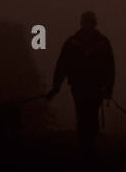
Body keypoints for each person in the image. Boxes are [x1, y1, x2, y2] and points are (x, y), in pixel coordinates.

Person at [46, 11, 115, 157]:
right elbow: (63, 65)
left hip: (88, 86)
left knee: (86, 114)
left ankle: (87, 144)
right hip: (83, 86)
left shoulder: (73, 41)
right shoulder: (99, 42)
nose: (87, 25)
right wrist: (56, 85)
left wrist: (56, 86)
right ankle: (87, 145)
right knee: (85, 114)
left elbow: (109, 67)